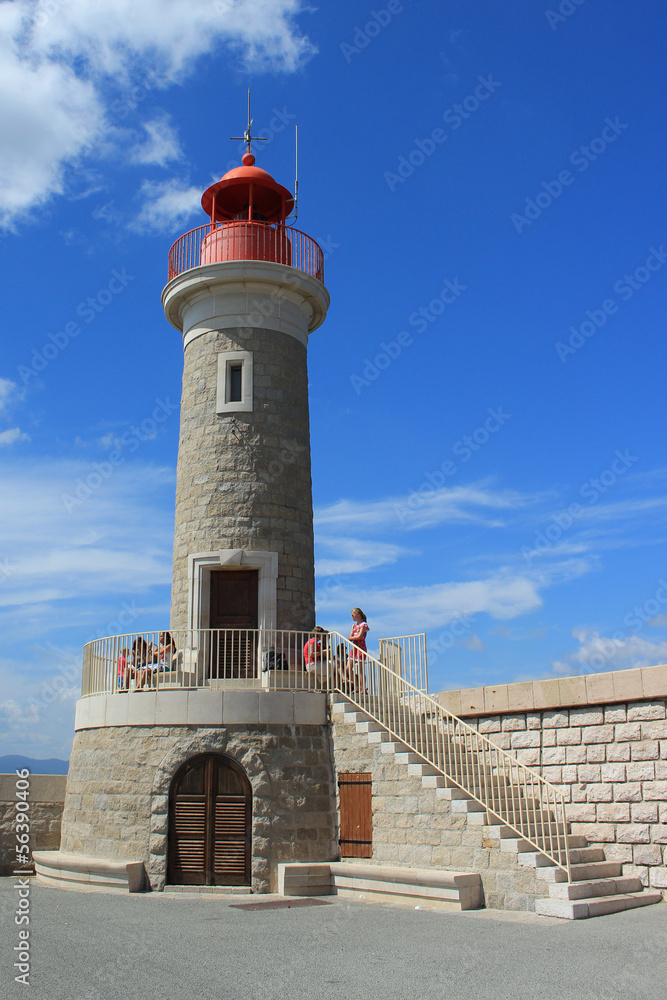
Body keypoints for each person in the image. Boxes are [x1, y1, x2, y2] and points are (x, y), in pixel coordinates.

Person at [348, 608, 369, 695]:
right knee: (348, 668)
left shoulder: (363, 625)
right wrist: (353, 637)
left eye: (353, 614)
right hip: (354, 648)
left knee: (360, 669)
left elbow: (360, 637)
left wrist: (353, 637)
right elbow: (350, 637)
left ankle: (362, 687)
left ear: (358, 614)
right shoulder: (354, 626)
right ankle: (357, 686)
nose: (352, 617)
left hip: (360, 647)